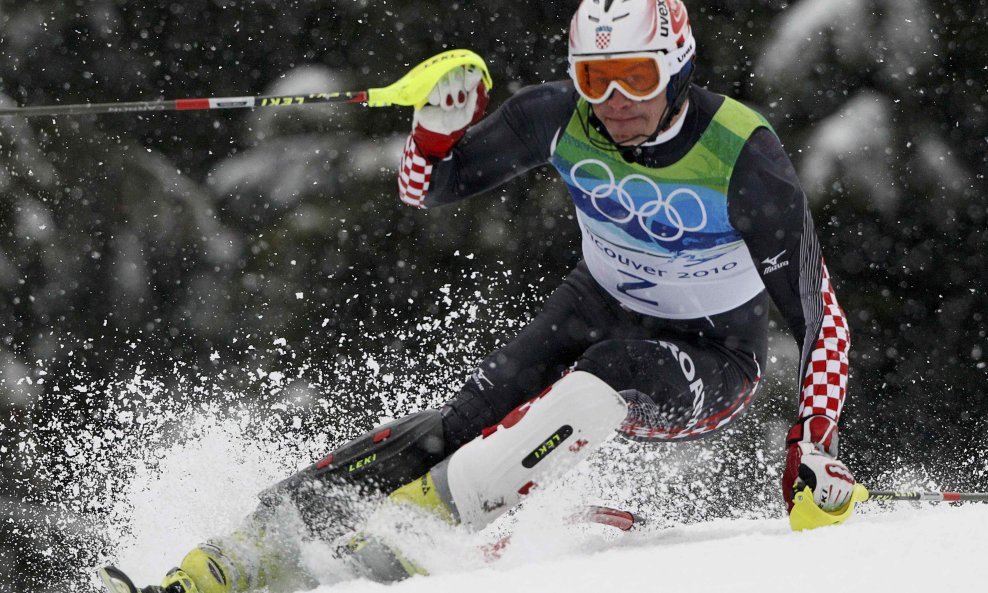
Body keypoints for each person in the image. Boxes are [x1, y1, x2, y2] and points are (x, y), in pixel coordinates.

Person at [102, 1, 857, 592]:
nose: (617, 101)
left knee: (605, 378)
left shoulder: (741, 152)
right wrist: (433, 135)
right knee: (459, 423)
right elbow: (426, 189)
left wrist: (812, 445)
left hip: (711, 353)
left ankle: (416, 528)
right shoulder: (560, 117)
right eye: (596, 80)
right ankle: (237, 550)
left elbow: (819, 316)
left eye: (636, 76)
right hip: (595, 303)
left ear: (678, 68)